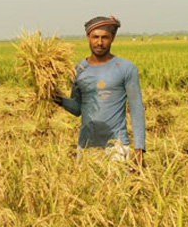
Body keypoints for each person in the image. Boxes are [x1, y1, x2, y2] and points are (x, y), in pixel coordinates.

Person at [54, 16, 146, 165]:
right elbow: (77, 108)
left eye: (105, 37)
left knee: (117, 188)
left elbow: (136, 109)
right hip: (86, 146)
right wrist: (55, 98)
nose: (100, 42)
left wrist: (139, 149)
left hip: (117, 147)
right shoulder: (78, 70)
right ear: (88, 37)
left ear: (113, 38)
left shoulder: (126, 68)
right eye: (95, 37)